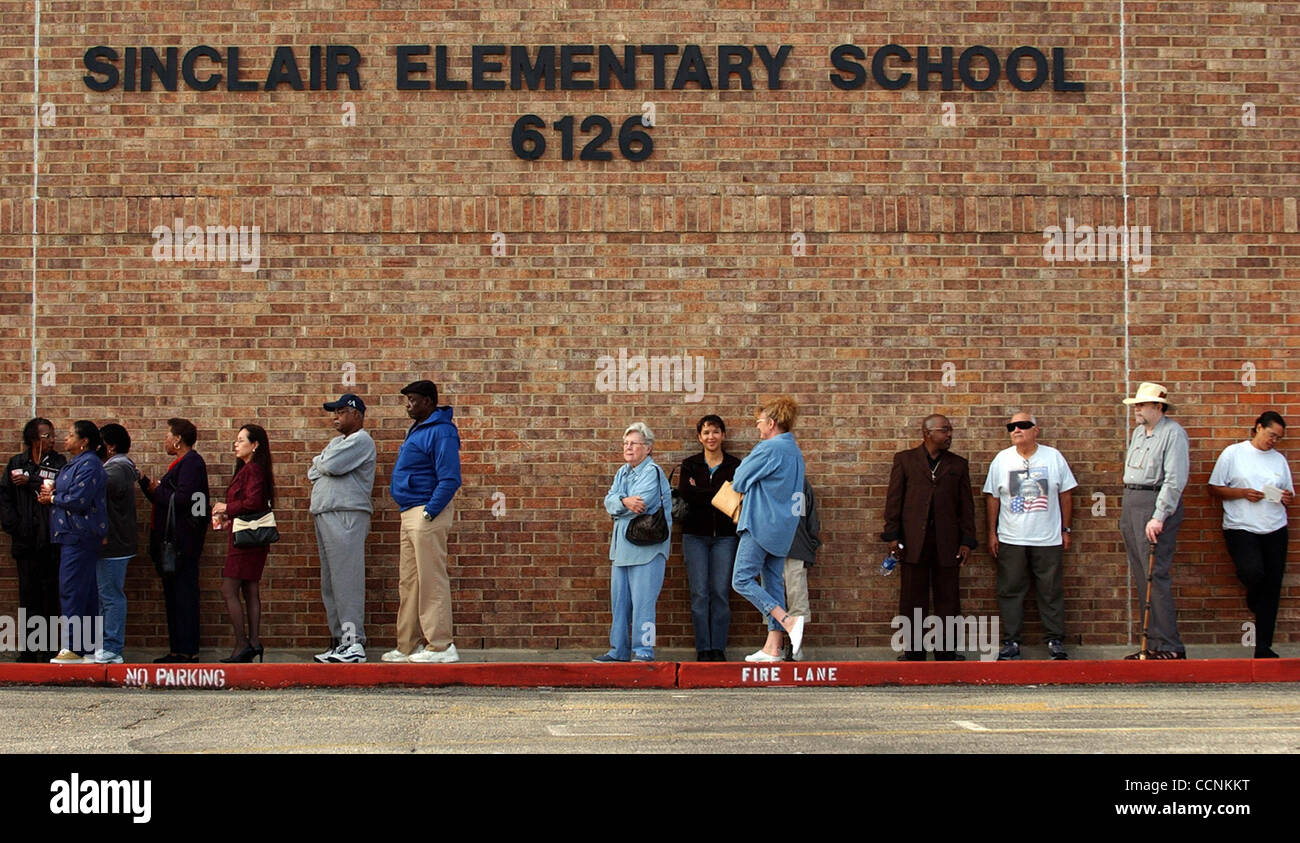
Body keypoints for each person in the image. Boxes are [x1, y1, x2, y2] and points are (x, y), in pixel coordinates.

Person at [982, 411, 1077, 661]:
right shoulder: (1001, 460)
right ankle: (1011, 641)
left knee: (1050, 591)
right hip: (1011, 539)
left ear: (1036, 430)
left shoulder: (1053, 457)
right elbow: (992, 497)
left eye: (1023, 425)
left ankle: (1055, 640)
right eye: (1011, 426)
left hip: (1047, 540)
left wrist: (1066, 529)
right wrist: (992, 533)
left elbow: (1066, 494)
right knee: (1010, 590)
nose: (1016, 430)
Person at [882, 414, 977, 661]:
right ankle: (913, 651)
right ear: (927, 433)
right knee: (913, 598)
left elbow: (966, 506)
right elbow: (894, 500)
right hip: (913, 541)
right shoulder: (905, 460)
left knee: (948, 598)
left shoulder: (958, 464)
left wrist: (967, 540)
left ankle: (946, 652)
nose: (949, 435)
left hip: (948, 541)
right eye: (944, 430)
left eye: (950, 430)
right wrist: (893, 536)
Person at [382, 380, 463, 664]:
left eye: (413, 400)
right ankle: (408, 646)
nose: (408, 405)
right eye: (407, 400)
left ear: (428, 402)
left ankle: (441, 646)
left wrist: (430, 511)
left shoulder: (442, 432)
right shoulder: (419, 429)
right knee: (410, 582)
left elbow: (451, 477)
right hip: (410, 511)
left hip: (426, 512)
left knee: (431, 580)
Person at [1208, 411, 1294, 658]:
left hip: (1275, 527)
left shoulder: (1279, 460)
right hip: (1241, 526)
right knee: (1252, 572)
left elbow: (1288, 492)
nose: (1273, 441)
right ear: (1258, 428)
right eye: (1271, 435)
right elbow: (1214, 488)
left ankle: (1264, 647)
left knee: (1273, 585)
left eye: (1278, 438)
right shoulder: (1234, 454)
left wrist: (1286, 497)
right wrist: (1243, 493)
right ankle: (1254, 596)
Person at [729, 397, 807, 663]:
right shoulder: (794, 451)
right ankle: (773, 648)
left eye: (760, 422)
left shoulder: (769, 448)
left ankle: (787, 621)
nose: (758, 427)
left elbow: (739, 480)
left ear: (771, 423)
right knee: (773, 583)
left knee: (741, 579)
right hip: (784, 528)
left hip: (761, 523)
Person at [1120, 382, 1190, 659]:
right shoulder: (1139, 433)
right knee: (1141, 576)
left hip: (1154, 502)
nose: (1137, 409)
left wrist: (1159, 515)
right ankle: (1149, 645)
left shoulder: (1174, 434)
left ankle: (1169, 646)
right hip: (1132, 501)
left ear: (1158, 407)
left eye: (1142, 405)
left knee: (1155, 575)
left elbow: (1174, 480)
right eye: (1136, 404)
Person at [596, 422, 672, 663]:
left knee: (643, 605)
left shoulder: (653, 472)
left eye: (634, 444)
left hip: (647, 550)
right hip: (621, 550)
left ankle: (644, 652)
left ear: (647, 448)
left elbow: (642, 503)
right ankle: (618, 651)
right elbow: (608, 501)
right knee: (619, 604)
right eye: (625, 444)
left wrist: (622, 504)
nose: (628, 448)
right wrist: (623, 501)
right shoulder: (622, 472)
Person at [309, 393, 376, 664]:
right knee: (331, 583)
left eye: (340, 412)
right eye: (333, 412)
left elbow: (329, 465)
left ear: (356, 414)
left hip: (346, 515)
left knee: (347, 582)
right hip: (326, 513)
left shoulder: (362, 440)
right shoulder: (338, 442)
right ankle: (340, 642)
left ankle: (353, 643)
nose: (334, 417)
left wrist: (323, 461)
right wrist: (322, 462)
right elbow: (313, 471)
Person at [139, 418, 209, 664]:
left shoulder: (192, 463)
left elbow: (183, 500)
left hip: (181, 545)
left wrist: (154, 486)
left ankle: (187, 651)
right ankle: (178, 649)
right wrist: (148, 486)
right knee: (174, 597)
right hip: (173, 544)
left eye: (168, 435)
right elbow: (165, 501)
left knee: (183, 596)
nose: (165, 440)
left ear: (178, 439)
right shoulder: (181, 464)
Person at [39, 421, 109, 664]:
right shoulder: (76, 464)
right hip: (71, 535)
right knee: (85, 591)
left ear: (84, 441)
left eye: (71, 435)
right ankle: (87, 647)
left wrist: (54, 497)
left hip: (79, 535)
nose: (66, 439)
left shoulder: (89, 464)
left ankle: (73, 647)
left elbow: (79, 499)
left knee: (71, 589)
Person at [0, 418, 66, 662]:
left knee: (51, 596)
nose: (52, 440)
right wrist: (14, 526)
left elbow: (61, 488)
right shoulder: (17, 463)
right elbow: (5, 497)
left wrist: (33, 482)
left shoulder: (59, 463)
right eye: (47, 436)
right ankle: (29, 650)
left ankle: (49, 650)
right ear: (33, 439)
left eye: (53, 435)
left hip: (51, 542)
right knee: (29, 597)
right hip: (26, 542)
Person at [676, 414, 741, 661]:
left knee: (721, 592)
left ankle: (718, 648)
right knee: (700, 593)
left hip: (725, 537)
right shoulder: (690, 465)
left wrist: (701, 493)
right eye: (706, 432)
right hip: (695, 537)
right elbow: (687, 495)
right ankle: (704, 648)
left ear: (723, 435)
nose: (710, 437)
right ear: (699, 437)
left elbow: (737, 496)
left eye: (715, 431)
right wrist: (720, 494)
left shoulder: (735, 465)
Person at [211, 424, 275, 663]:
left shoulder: (253, 470)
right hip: (245, 537)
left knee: (228, 589)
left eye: (241, 440)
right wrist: (229, 517)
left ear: (254, 444)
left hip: (247, 543)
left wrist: (225, 508)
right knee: (249, 589)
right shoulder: (249, 470)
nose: (236, 444)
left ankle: (242, 644)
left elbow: (253, 502)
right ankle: (254, 642)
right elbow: (250, 504)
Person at [95, 423, 139, 664]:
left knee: (111, 596)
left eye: (99, 442)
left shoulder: (117, 469)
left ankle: (111, 647)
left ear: (110, 446)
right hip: (113, 544)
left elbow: (96, 486)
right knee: (106, 595)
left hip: (114, 546)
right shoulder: (117, 467)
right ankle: (106, 645)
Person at [781, 478, 821, 661]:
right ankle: (777, 644)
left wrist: (810, 544)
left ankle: (795, 646)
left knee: (797, 598)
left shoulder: (801, 484)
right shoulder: (764, 481)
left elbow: (811, 518)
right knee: (773, 600)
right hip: (770, 551)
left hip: (797, 549)